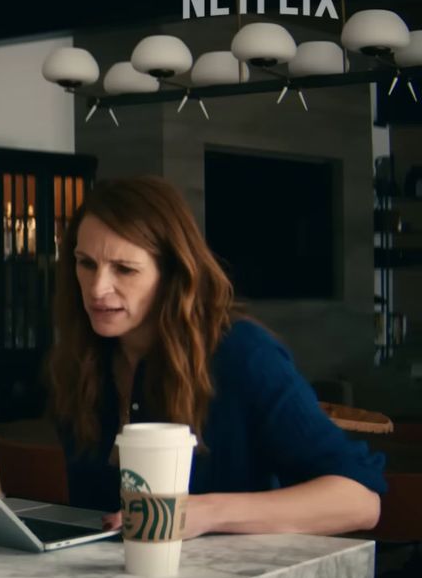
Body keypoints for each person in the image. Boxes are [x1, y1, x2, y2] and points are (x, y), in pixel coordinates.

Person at [47, 176, 385, 538]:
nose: (97, 288)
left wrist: (205, 513)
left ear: (172, 272)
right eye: (85, 263)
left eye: (125, 269)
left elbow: (360, 501)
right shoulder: (81, 359)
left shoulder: (241, 353)